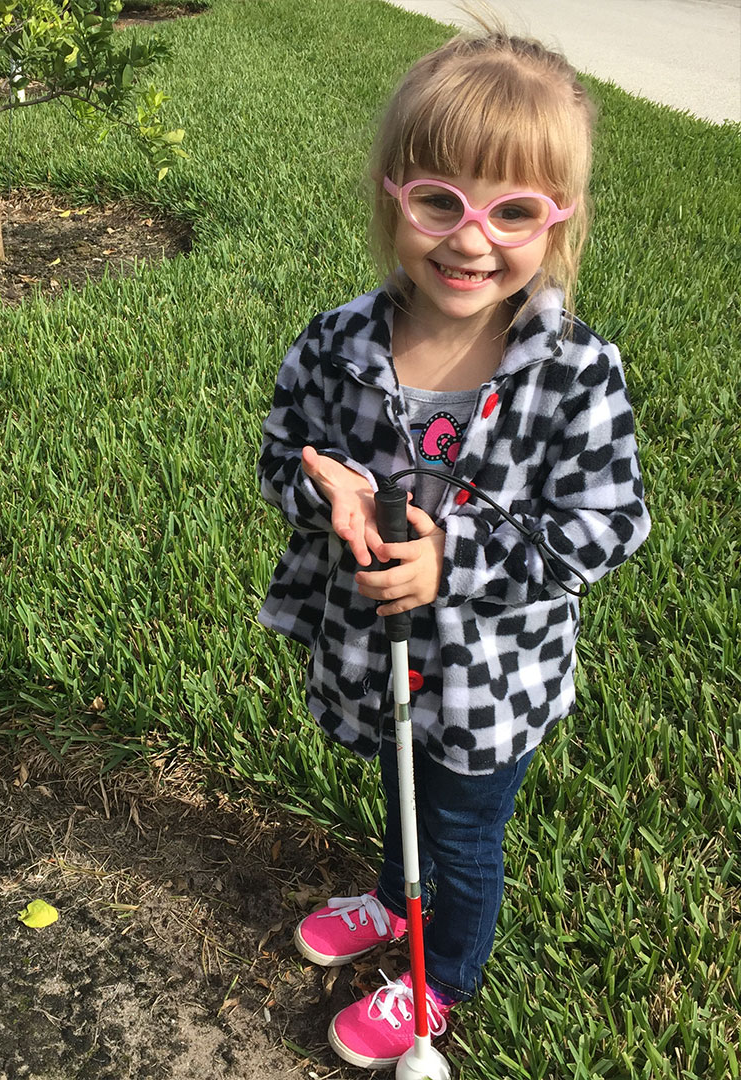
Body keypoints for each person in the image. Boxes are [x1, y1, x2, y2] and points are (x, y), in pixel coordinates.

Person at [256, 24, 651, 1071]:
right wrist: (317, 485)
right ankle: (395, 899)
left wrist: (457, 559)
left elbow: (609, 523)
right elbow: (278, 455)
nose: (472, 241)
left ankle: (443, 981)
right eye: (442, 201)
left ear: (558, 223)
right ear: (394, 194)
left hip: (493, 679)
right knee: (397, 786)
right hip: (372, 652)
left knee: (465, 832)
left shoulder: (573, 371)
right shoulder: (337, 343)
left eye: (513, 211)